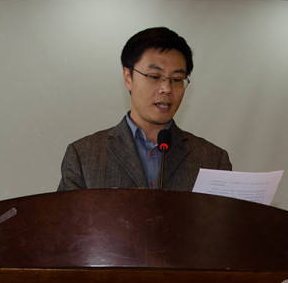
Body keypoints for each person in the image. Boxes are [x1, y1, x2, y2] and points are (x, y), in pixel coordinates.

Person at [58, 27, 232, 191]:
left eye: (177, 79)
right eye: (155, 77)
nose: (167, 89)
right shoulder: (83, 156)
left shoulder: (212, 160)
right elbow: (66, 214)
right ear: (128, 77)